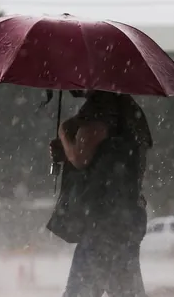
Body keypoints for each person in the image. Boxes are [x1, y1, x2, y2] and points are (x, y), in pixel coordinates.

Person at [48, 90, 152, 297]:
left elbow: (80, 157)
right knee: (126, 291)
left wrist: (64, 134)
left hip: (104, 221)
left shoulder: (102, 107)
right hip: (125, 217)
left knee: (81, 291)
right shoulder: (128, 110)